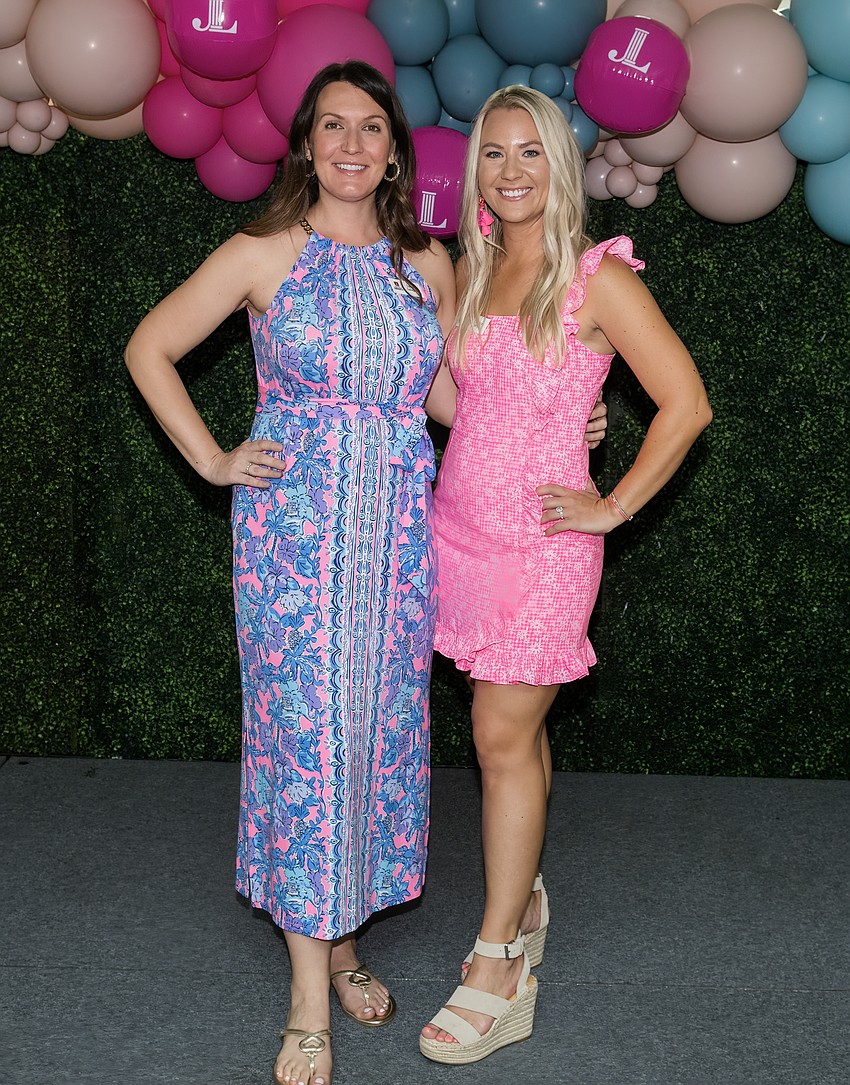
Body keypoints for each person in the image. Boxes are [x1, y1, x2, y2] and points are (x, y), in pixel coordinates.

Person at [125, 60, 457, 1085]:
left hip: (400, 541)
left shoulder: (427, 263)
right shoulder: (262, 251)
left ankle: (346, 940)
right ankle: (309, 996)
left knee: (373, 735)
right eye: (332, 128)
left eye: (370, 128)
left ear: (393, 148)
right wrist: (215, 458)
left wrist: (555, 415)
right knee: (307, 739)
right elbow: (150, 347)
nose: (352, 145)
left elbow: (451, 401)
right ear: (306, 145)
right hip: (296, 544)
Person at [419, 86, 712, 1065]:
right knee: (515, 734)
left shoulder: (599, 279)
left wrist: (611, 502)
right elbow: (464, 406)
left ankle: (500, 959)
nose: (509, 172)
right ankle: (526, 891)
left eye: (529, 153)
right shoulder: (474, 263)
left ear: (559, 165)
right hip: (456, 532)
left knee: (497, 737)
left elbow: (684, 405)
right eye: (493, 155)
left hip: (544, 551)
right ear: (476, 172)